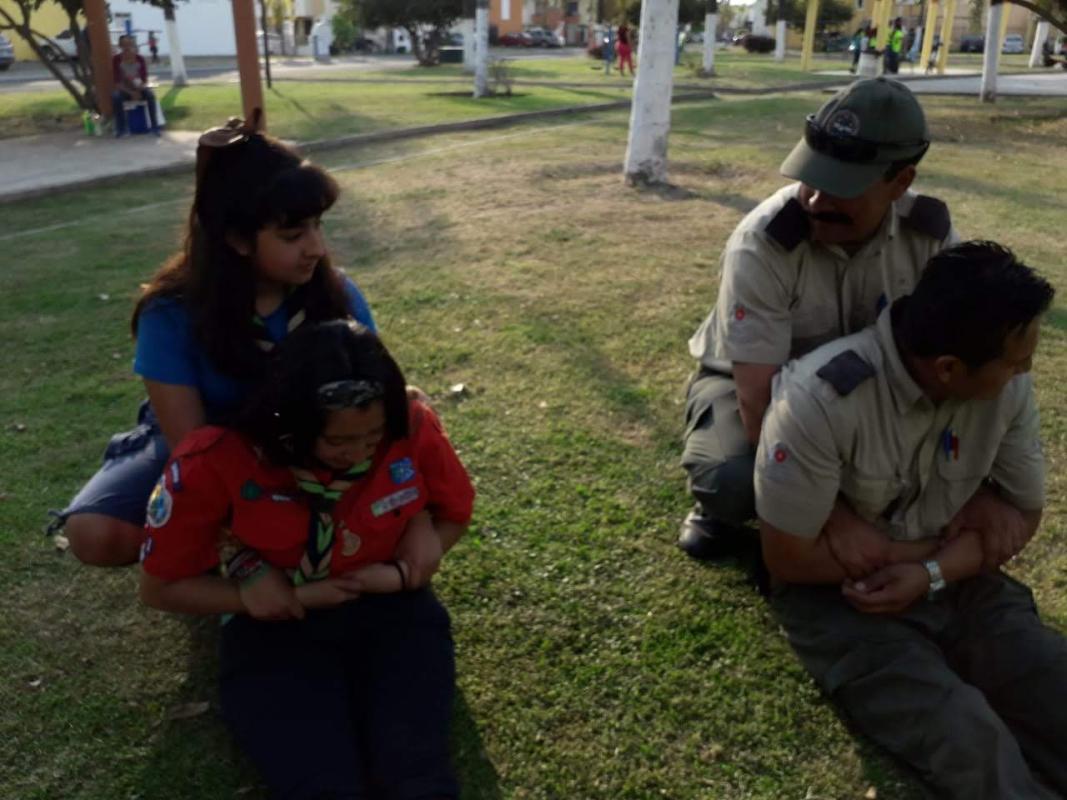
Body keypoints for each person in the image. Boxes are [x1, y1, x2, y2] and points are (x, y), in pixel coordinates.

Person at [756, 242, 1067, 798]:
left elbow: (1024, 513)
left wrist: (931, 570)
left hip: (959, 583)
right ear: (949, 368)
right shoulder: (820, 398)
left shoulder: (1005, 390)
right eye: (1016, 361)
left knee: (1049, 677)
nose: (1026, 371)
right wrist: (937, 553)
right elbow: (789, 558)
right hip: (845, 602)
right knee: (966, 736)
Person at [140, 319, 475, 799]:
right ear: (288, 422)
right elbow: (159, 587)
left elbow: (455, 512)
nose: (359, 452)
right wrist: (248, 594)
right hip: (276, 627)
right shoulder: (217, 459)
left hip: (392, 612)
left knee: (418, 773)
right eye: (337, 442)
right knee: (320, 782)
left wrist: (412, 564)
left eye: (372, 436)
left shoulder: (410, 425)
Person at [52, 114, 377, 569]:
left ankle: (251, 537)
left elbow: (377, 402)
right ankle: (216, 551)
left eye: (318, 226)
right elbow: (194, 448)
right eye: (293, 234)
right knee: (96, 534)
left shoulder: (333, 294)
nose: (317, 248)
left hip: (311, 442)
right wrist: (242, 538)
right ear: (238, 240)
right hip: (209, 444)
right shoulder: (171, 313)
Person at [679, 78, 968, 561]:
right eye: (811, 176)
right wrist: (837, 519)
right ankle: (718, 511)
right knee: (733, 480)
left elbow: (950, 360)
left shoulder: (930, 240)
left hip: (866, 389)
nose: (814, 200)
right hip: (751, 382)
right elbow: (756, 400)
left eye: (841, 187)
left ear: (901, 183)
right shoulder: (764, 242)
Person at [111, 34, 161, 137]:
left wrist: (138, 90)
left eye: (129, 44)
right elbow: (117, 82)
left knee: (150, 95)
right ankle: (122, 129)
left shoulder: (140, 59)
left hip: (139, 88)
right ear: (120, 46)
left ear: (133, 45)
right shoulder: (116, 60)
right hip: (125, 90)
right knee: (115, 97)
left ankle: (155, 127)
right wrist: (131, 92)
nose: (127, 47)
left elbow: (144, 79)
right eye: (124, 45)